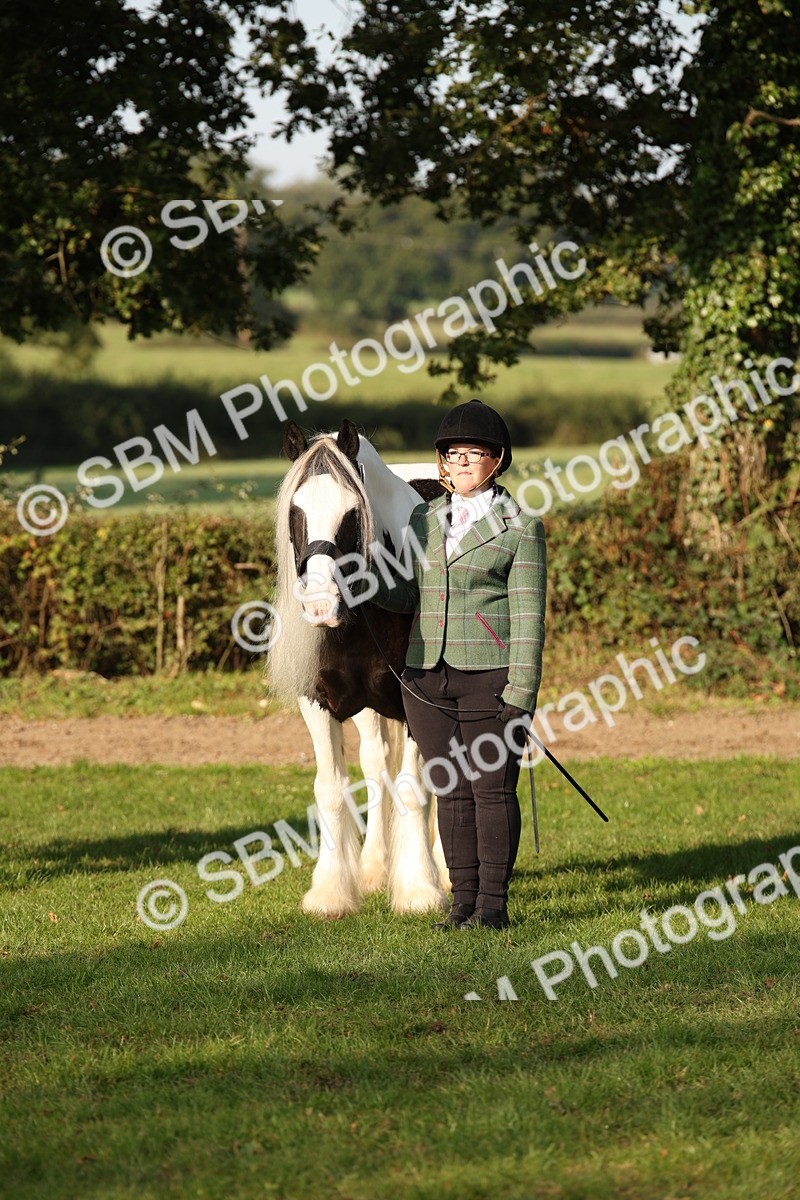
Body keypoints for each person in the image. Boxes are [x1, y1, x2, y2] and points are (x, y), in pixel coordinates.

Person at [371, 398, 546, 930]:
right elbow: (410, 595)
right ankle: (462, 902)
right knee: (450, 791)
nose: (461, 461)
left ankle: (493, 906)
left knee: (491, 792)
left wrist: (522, 692)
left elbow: (529, 618)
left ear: (498, 459)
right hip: (426, 677)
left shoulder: (521, 528)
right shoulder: (424, 519)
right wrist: (365, 582)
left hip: (489, 679)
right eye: (453, 453)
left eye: (474, 452)